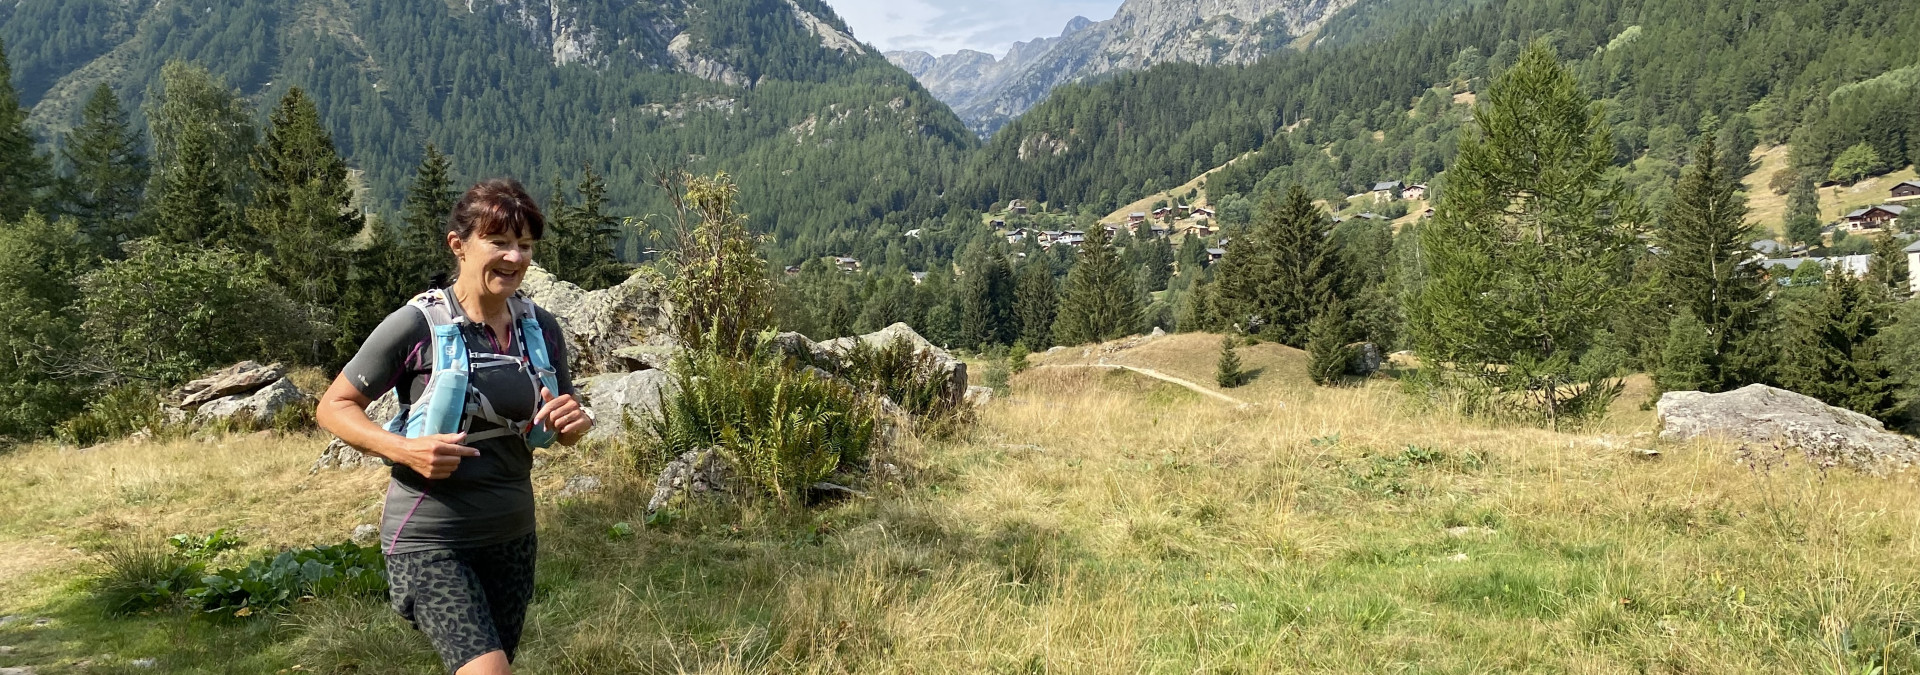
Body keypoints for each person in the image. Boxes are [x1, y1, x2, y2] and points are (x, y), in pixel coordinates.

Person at [316, 178, 594, 675]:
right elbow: (334, 406)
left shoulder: (541, 328)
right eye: (499, 241)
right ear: (458, 244)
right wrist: (403, 449)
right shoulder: (416, 325)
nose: (515, 257)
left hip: (511, 536)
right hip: (429, 539)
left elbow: (562, 421)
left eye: (525, 244)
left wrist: (575, 422)